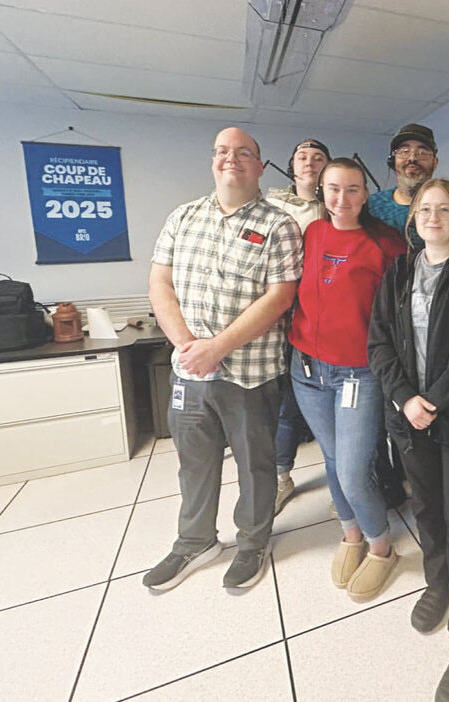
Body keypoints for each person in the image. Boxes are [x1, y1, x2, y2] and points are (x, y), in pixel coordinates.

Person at [144, 127, 302, 592]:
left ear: (260, 166)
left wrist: (218, 347)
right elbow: (159, 284)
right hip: (189, 371)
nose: (231, 158)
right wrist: (187, 346)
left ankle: (253, 542)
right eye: (222, 151)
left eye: (243, 152)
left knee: (256, 464)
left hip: (250, 374)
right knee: (194, 462)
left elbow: (279, 297)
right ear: (213, 161)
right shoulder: (182, 217)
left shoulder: (279, 225)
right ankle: (195, 541)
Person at [368, 179, 449, 702]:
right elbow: (379, 342)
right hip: (409, 418)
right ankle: (439, 582)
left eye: (444, 208)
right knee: (426, 508)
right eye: (424, 208)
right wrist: (406, 399)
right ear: (413, 219)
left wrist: (435, 401)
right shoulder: (398, 273)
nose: (433, 215)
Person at [287, 158, 407, 601]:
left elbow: (401, 313)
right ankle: (351, 534)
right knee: (333, 460)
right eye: (333, 189)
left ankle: (381, 547)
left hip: (359, 372)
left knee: (355, 471)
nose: (342, 198)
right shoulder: (312, 234)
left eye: (352, 189)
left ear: (365, 194)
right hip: (306, 369)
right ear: (322, 191)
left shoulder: (387, 244)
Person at [265, 138, 331, 514]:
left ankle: (347, 479)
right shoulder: (274, 207)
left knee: (337, 405)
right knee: (289, 403)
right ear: (292, 165)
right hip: (286, 322)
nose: (310, 163)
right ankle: (281, 476)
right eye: (303, 157)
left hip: (329, 320)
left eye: (318, 157)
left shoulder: (338, 205)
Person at [368, 123, 449, 250]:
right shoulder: (372, 206)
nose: (412, 158)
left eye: (422, 153)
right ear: (393, 160)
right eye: (404, 151)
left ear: (435, 162)